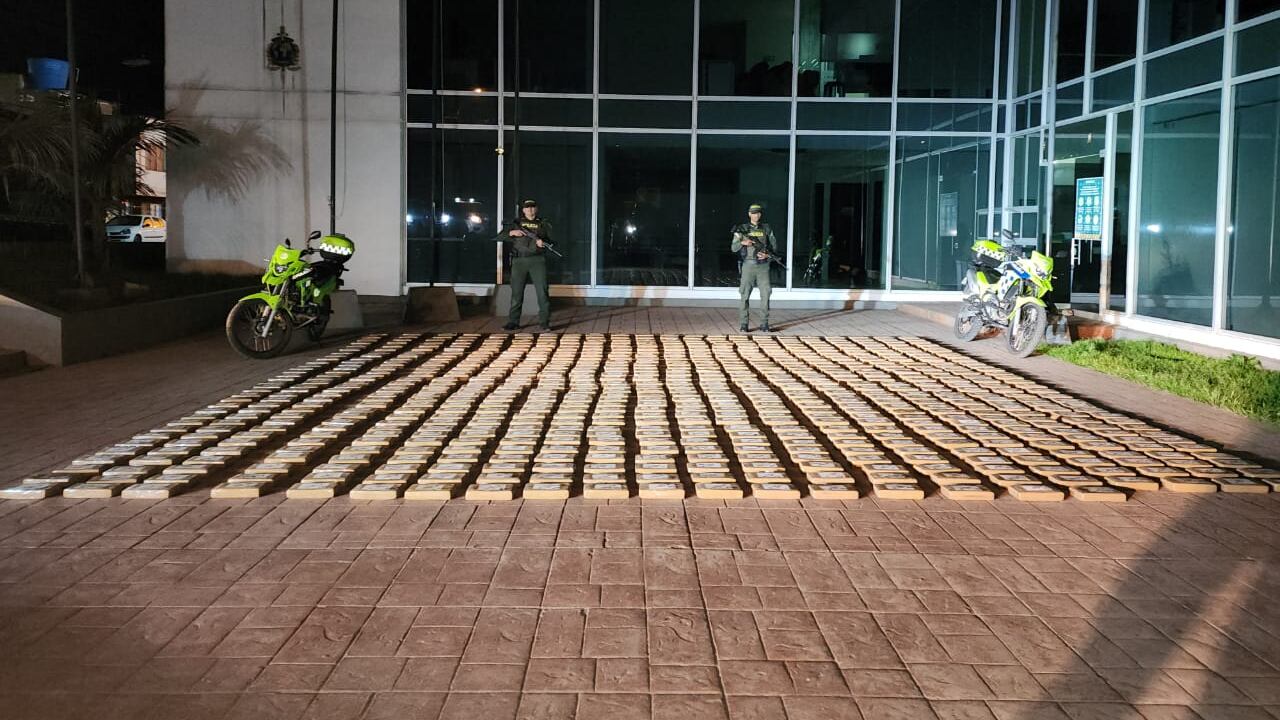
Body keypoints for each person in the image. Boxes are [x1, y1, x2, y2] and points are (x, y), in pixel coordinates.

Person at [500, 199, 553, 331]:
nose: (530, 209)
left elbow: (553, 241)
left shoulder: (543, 223)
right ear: (523, 210)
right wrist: (511, 233)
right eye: (527, 207)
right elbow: (499, 236)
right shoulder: (516, 223)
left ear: (536, 209)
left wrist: (543, 242)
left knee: (542, 292)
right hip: (519, 261)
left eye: (532, 207)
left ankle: (544, 322)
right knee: (516, 293)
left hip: (537, 260)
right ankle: (513, 321)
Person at [731, 202, 778, 332]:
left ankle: (764, 323)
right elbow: (733, 248)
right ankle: (744, 324)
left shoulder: (766, 229)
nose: (755, 215)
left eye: (757, 213)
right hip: (748, 265)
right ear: (749, 214)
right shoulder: (742, 229)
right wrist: (743, 242)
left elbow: (774, 247)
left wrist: (767, 255)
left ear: (760, 214)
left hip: (763, 266)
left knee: (765, 294)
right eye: (753, 213)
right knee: (744, 295)